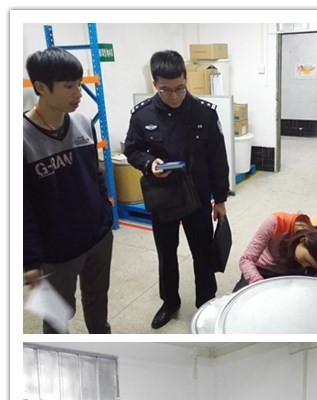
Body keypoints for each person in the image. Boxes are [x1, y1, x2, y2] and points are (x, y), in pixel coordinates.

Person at [124, 50, 229, 329]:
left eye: (180, 88)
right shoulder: (142, 115)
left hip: (197, 196)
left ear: (186, 79)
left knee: (202, 253)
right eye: (165, 90)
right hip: (163, 197)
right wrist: (149, 164)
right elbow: (132, 150)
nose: (174, 96)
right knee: (166, 253)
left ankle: (206, 302)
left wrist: (220, 199)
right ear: (154, 83)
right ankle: (170, 302)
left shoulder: (205, 113)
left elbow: (218, 159)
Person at [23, 47, 114, 334]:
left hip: (98, 238)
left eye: (79, 84)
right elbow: (20, 208)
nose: (78, 93)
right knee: (57, 319)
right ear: (41, 87)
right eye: (68, 86)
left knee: (98, 301)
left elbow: (95, 174)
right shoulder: (20, 138)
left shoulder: (83, 123)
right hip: (58, 252)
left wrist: (105, 213)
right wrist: (29, 260)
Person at [234, 217, 317, 291]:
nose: (304, 265)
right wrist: (259, 283)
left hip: (292, 274)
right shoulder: (276, 223)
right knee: (241, 300)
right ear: (304, 240)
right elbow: (246, 260)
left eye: (310, 266)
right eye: (306, 260)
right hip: (263, 271)